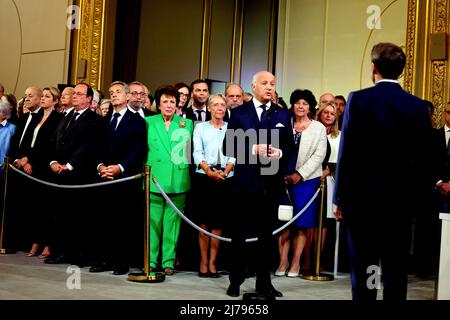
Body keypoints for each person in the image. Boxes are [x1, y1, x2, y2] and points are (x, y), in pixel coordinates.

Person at [334, 42, 433, 300]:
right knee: (396, 271)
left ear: (373, 67)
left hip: (362, 201)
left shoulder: (358, 99)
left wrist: (339, 198)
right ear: (401, 70)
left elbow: (348, 153)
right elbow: (425, 160)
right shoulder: (418, 106)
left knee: (363, 269)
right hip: (401, 204)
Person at [223, 71, 296, 299]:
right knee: (239, 235)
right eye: (264, 83)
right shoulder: (239, 113)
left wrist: (280, 151)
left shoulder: (282, 114)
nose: (269, 87)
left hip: (271, 183)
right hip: (245, 183)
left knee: (267, 237)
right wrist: (253, 149)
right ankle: (235, 280)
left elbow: (290, 148)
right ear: (253, 87)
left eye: (272, 84)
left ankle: (264, 283)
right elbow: (228, 147)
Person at [276, 89, 327, 278]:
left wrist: (300, 174)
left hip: (306, 181)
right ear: (292, 105)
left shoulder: (318, 128)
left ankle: (296, 262)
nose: (301, 106)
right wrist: (281, 173)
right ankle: (283, 261)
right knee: (283, 221)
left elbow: (319, 155)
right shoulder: (284, 124)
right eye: (297, 102)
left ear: (310, 107)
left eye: (305, 103)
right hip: (282, 178)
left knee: (302, 223)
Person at [145, 85, 193, 276]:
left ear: (177, 104)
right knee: (153, 223)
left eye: (172, 101)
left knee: (172, 225)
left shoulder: (186, 123)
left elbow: (189, 153)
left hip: (177, 178)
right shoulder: (148, 122)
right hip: (154, 177)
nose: (169, 105)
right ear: (158, 103)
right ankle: (150, 260)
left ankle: (168, 262)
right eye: (165, 101)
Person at [192, 94, 235, 278]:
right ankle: (203, 261)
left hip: (226, 177)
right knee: (204, 222)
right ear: (209, 108)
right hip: (204, 177)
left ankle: (212, 262)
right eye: (216, 105)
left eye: (222, 105)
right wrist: (209, 171)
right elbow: (197, 151)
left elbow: (235, 154)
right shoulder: (200, 128)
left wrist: (224, 172)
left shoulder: (231, 128)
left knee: (218, 223)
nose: (219, 108)